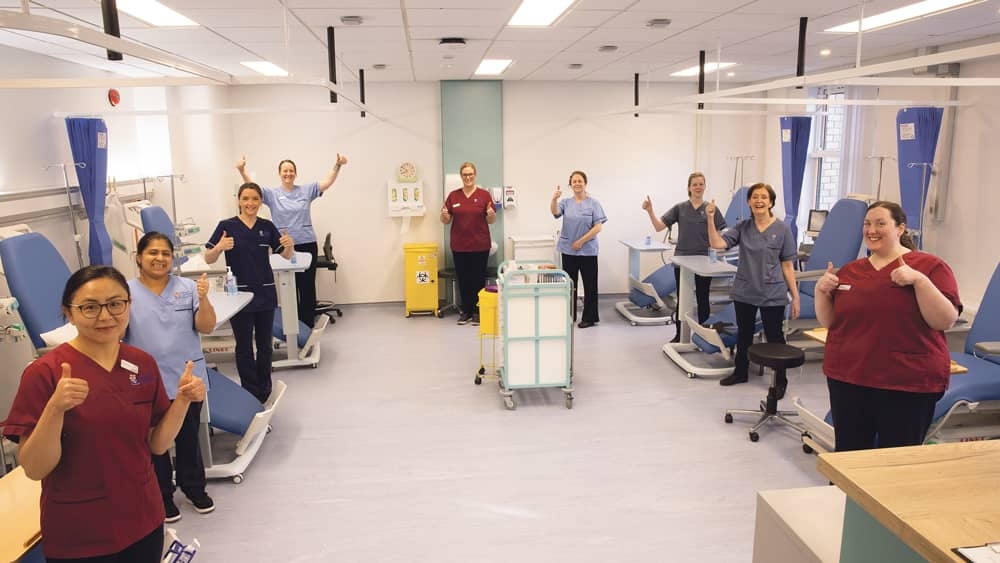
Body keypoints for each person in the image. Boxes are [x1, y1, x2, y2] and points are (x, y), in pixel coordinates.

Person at [3, 265, 206, 562]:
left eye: (115, 304)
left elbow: (157, 444)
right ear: (69, 313)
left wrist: (183, 401)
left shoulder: (142, 364)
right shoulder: (44, 374)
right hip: (81, 533)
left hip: (144, 519)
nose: (105, 316)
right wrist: (55, 409)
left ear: (128, 306)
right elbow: (34, 468)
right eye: (89, 307)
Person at [814, 201, 961, 452]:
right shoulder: (851, 270)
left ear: (900, 228)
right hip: (849, 378)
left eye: (881, 223)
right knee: (850, 457)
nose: (872, 230)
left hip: (906, 382)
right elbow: (830, 322)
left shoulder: (930, 267)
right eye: (867, 224)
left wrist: (920, 282)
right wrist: (821, 291)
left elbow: (944, 321)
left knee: (896, 462)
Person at [125, 232, 217, 523]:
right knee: (154, 442)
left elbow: (207, 327)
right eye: (152, 252)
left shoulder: (188, 288)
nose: (160, 258)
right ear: (139, 257)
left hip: (185, 378)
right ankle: (162, 494)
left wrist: (203, 300)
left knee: (189, 437)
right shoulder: (124, 292)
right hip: (143, 382)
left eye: (165, 253)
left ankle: (194, 488)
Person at [707, 182, 800, 395]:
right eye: (755, 197)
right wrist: (711, 218)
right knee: (744, 335)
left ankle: (780, 381)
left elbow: (787, 265)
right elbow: (717, 244)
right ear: (749, 201)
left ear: (771, 202)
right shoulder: (743, 227)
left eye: (764, 197)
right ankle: (741, 372)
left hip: (773, 292)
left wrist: (795, 297)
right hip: (745, 290)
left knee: (775, 338)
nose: (759, 201)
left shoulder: (782, 229)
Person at [205, 182, 295, 403]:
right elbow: (208, 258)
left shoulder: (267, 226)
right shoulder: (226, 226)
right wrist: (219, 247)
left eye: (255, 199)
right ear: (239, 200)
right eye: (245, 198)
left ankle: (264, 390)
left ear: (260, 201)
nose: (250, 203)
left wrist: (289, 244)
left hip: (265, 293)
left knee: (265, 346)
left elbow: (285, 255)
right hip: (239, 296)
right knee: (244, 346)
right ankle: (249, 392)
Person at [236, 153, 347, 329]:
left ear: (295, 173)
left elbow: (327, 182)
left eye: (291, 170)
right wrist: (242, 170)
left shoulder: (306, 190)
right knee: (288, 286)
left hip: (306, 243)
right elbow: (252, 188)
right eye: (284, 171)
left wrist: (338, 165)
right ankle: (291, 325)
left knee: (307, 286)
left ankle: (306, 326)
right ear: (280, 173)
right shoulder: (272, 194)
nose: (288, 173)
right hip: (283, 246)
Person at [642, 172, 726, 341]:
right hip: (683, 260)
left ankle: (704, 335)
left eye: (701, 184)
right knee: (683, 299)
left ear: (705, 186)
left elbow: (719, 237)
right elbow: (659, 227)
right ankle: (680, 334)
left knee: (703, 298)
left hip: (703, 261)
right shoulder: (680, 208)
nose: (698, 187)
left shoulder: (711, 209)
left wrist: (716, 255)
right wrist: (650, 211)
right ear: (689, 187)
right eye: (695, 184)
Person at [440, 161, 496, 325]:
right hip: (459, 245)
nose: (468, 177)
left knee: (478, 279)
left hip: (480, 244)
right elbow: (445, 219)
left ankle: (478, 311)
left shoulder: (484, 195)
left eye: (470, 174)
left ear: (475, 175)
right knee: (463, 279)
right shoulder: (453, 196)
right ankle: (466, 311)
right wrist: (443, 215)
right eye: (465, 174)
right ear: (461, 176)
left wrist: (491, 214)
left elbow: (491, 220)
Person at [551, 170, 608, 328]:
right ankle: (569, 315)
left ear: (585, 183)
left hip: (588, 250)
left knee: (590, 285)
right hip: (568, 249)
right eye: (574, 181)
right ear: (570, 185)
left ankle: (589, 318)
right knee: (569, 284)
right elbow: (555, 212)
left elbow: (598, 227)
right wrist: (554, 199)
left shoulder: (593, 203)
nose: (577, 183)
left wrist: (581, 241)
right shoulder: (565, 203)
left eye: (580, 181)